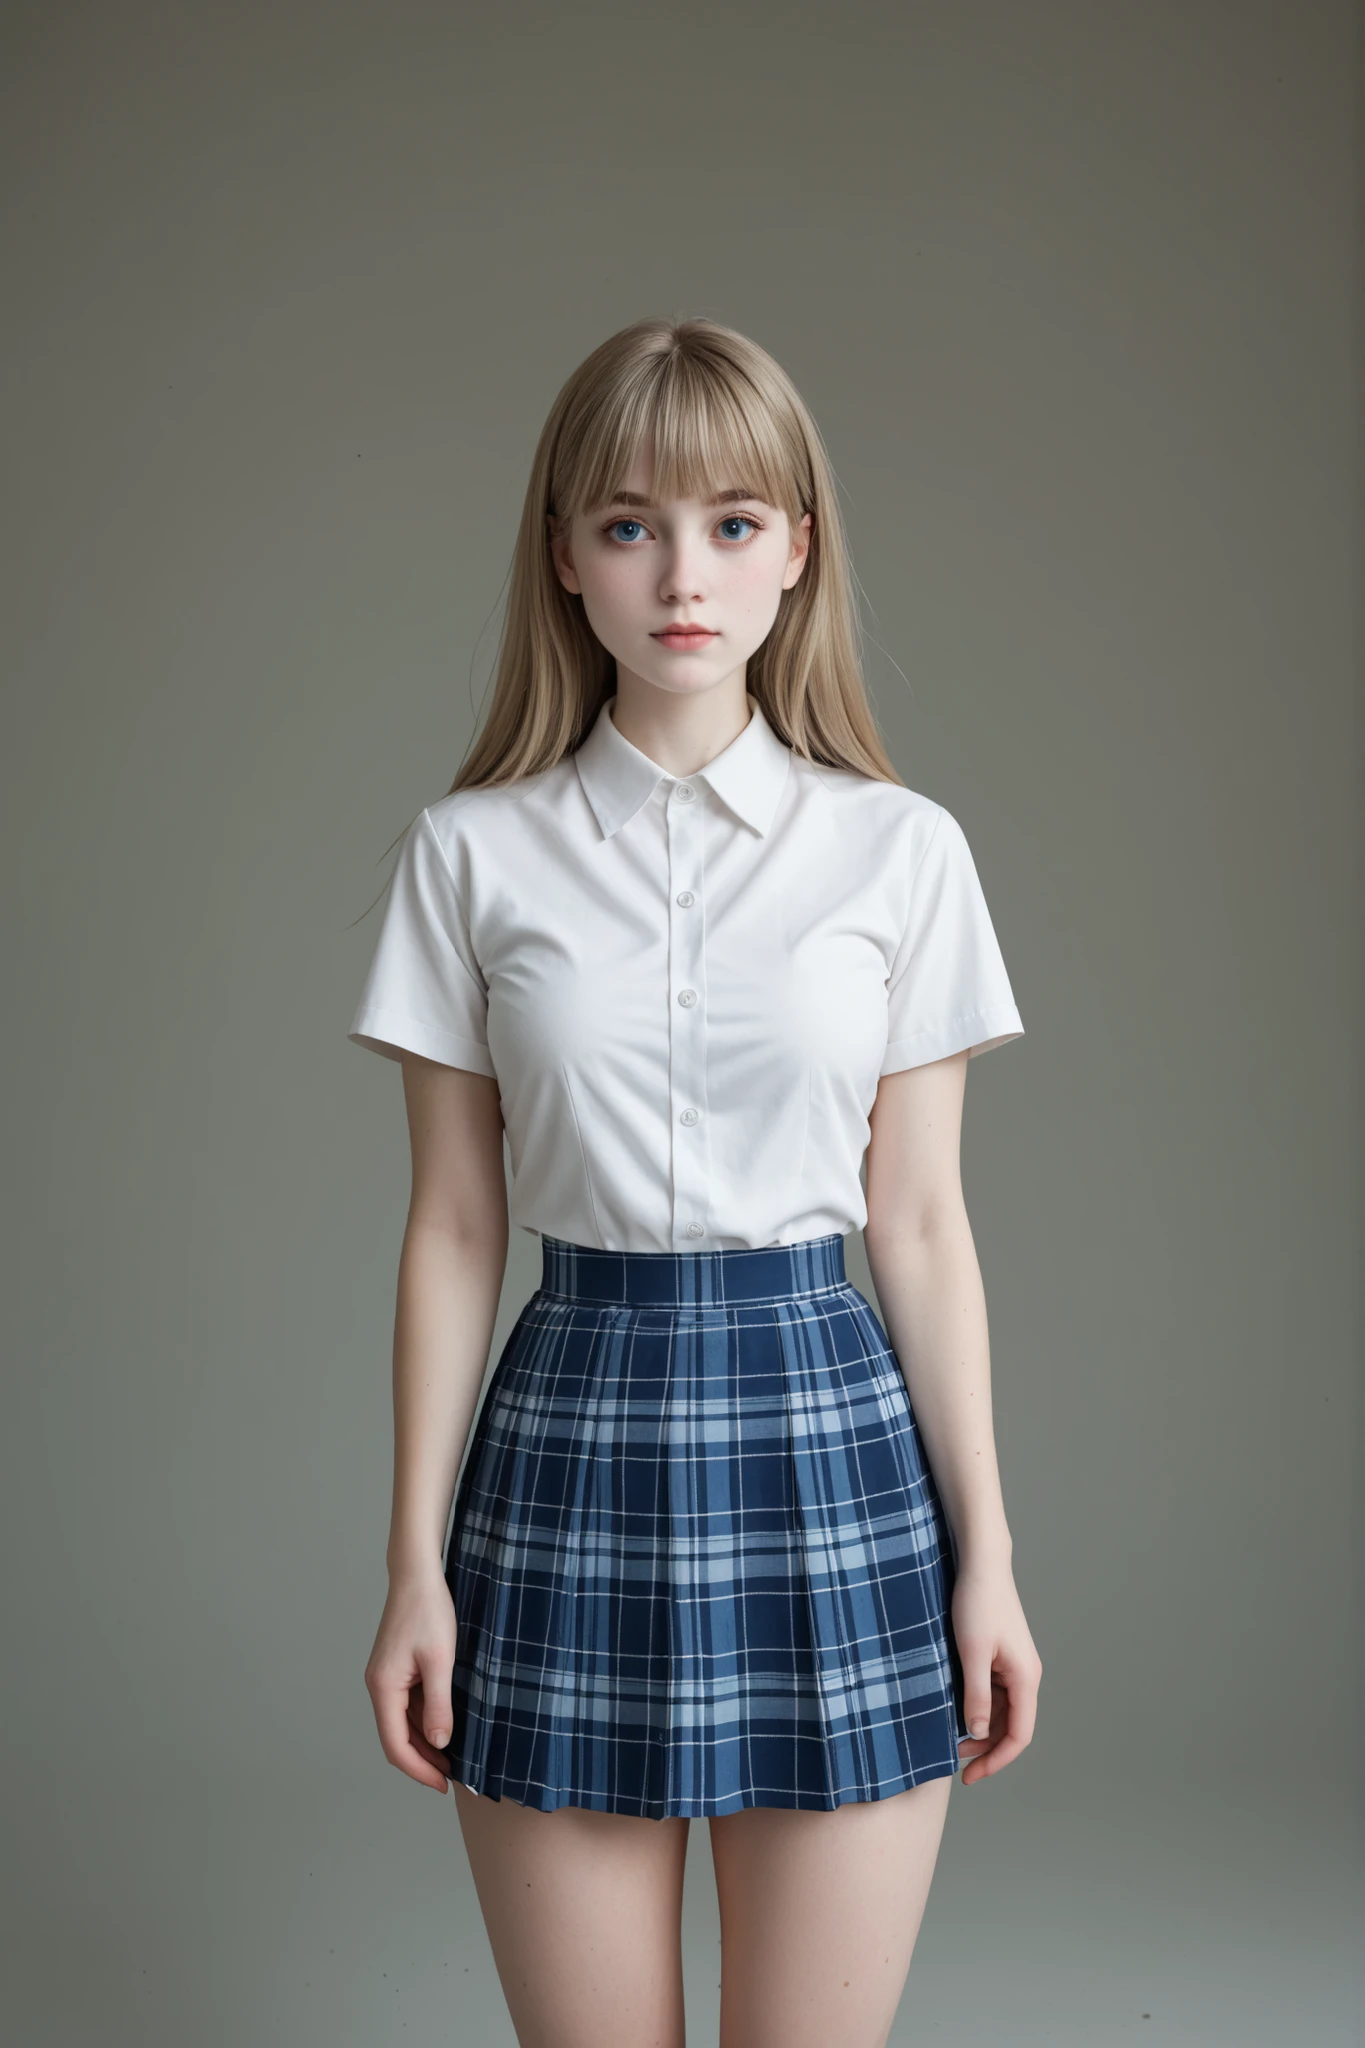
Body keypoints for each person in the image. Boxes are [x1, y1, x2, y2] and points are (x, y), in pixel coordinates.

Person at [347, 315, 1042, 2048]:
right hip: (567, 1445)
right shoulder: (467, 856)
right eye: (631, 521)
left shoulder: (901, 851)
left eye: (737, 522)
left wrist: (993, 1560)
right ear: (566, 559)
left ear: (800, 551)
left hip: (833, 1449)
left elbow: (926, 1226)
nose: (685, 571)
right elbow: (451, 1229)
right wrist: (413, 1569)